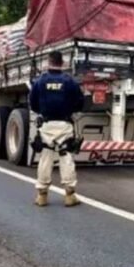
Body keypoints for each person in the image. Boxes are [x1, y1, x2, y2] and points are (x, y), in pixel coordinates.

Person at [30, 51, 85, 207]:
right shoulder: (70, 81)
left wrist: (42, 111)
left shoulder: (40, 81)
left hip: (47, 124)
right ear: (63, 63)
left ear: (48, 62)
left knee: (45, 157)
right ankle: (69, 195)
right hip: (64, 124)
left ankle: (42, 195)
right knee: (66, 156)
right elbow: (80, 102)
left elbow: (33, 103)